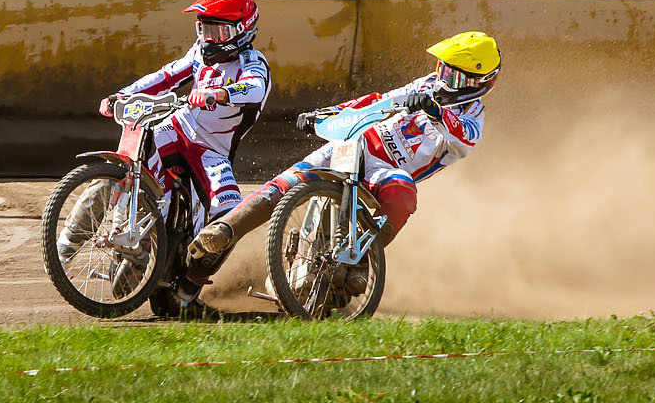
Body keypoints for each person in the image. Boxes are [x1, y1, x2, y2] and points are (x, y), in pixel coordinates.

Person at [187, 32, 499, 284]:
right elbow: (378, 101)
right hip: (358, 143)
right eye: (442, 69)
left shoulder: (473, 117)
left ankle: (361, 262)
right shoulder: (426, 85)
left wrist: (436, 111)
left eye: (455, 76)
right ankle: (225, 231)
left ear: (482, 82)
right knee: (282, 185)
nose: (443, 79)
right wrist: (327, 113)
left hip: (386, 172)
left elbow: (462, 139)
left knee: (403, 193)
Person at [98, 0, 271, 234]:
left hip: (212, 150)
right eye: (204, 30)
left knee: (227, 217)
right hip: (177, 127)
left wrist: (219, 93)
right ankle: (68, 243)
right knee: (133, 153)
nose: (209, 39)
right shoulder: (198, 53)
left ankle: (181, 259)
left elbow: (255, 87)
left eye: (219, 32)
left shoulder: (252, 61)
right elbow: (165, 77)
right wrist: (122, 94)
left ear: (243, 29)